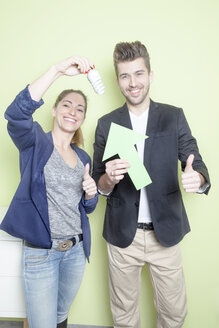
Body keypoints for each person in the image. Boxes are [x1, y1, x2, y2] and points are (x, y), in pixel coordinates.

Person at [92, 41, 210, 328]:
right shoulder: (107, 123)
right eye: (125, 76)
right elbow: (98, 183)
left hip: (165, 233)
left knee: (174, 314)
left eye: (139, 74)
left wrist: (200, 179)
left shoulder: (173, 116)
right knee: (124, 316)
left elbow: (197, 162)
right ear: (118, 80)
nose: (133, 83)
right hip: (122, 235)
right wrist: (108, 178)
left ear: (150, 75)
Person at [1, 56, 98, 328]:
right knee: (42, 323)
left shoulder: (83, 157)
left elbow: (86, 208)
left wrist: (91, 195)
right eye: (66, 104)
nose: (72, 111)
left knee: (59, 317)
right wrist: (56, 71)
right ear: (54, 110)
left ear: (83, 118)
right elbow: (16, 114)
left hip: (76, 252)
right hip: (42, 252)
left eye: (79, 109)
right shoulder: (36, 143)